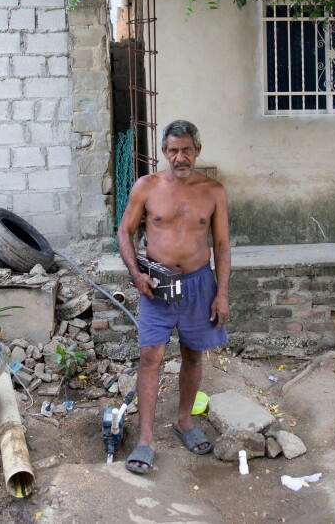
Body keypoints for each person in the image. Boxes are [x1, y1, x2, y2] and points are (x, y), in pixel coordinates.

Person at [117, 119, 231, 475]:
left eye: (186, 150)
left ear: (197, 150)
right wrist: (136, 274)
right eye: (172, 151)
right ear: (163, 152)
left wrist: (222, 294)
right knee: (151, 355)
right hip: (157, 284)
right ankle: (146, 438)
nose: (179, 157)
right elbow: (124, 230)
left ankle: (184, 421)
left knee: (193, 355)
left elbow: (223, 245)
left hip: (199, 283)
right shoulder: (146, 186)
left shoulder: (214, 191)